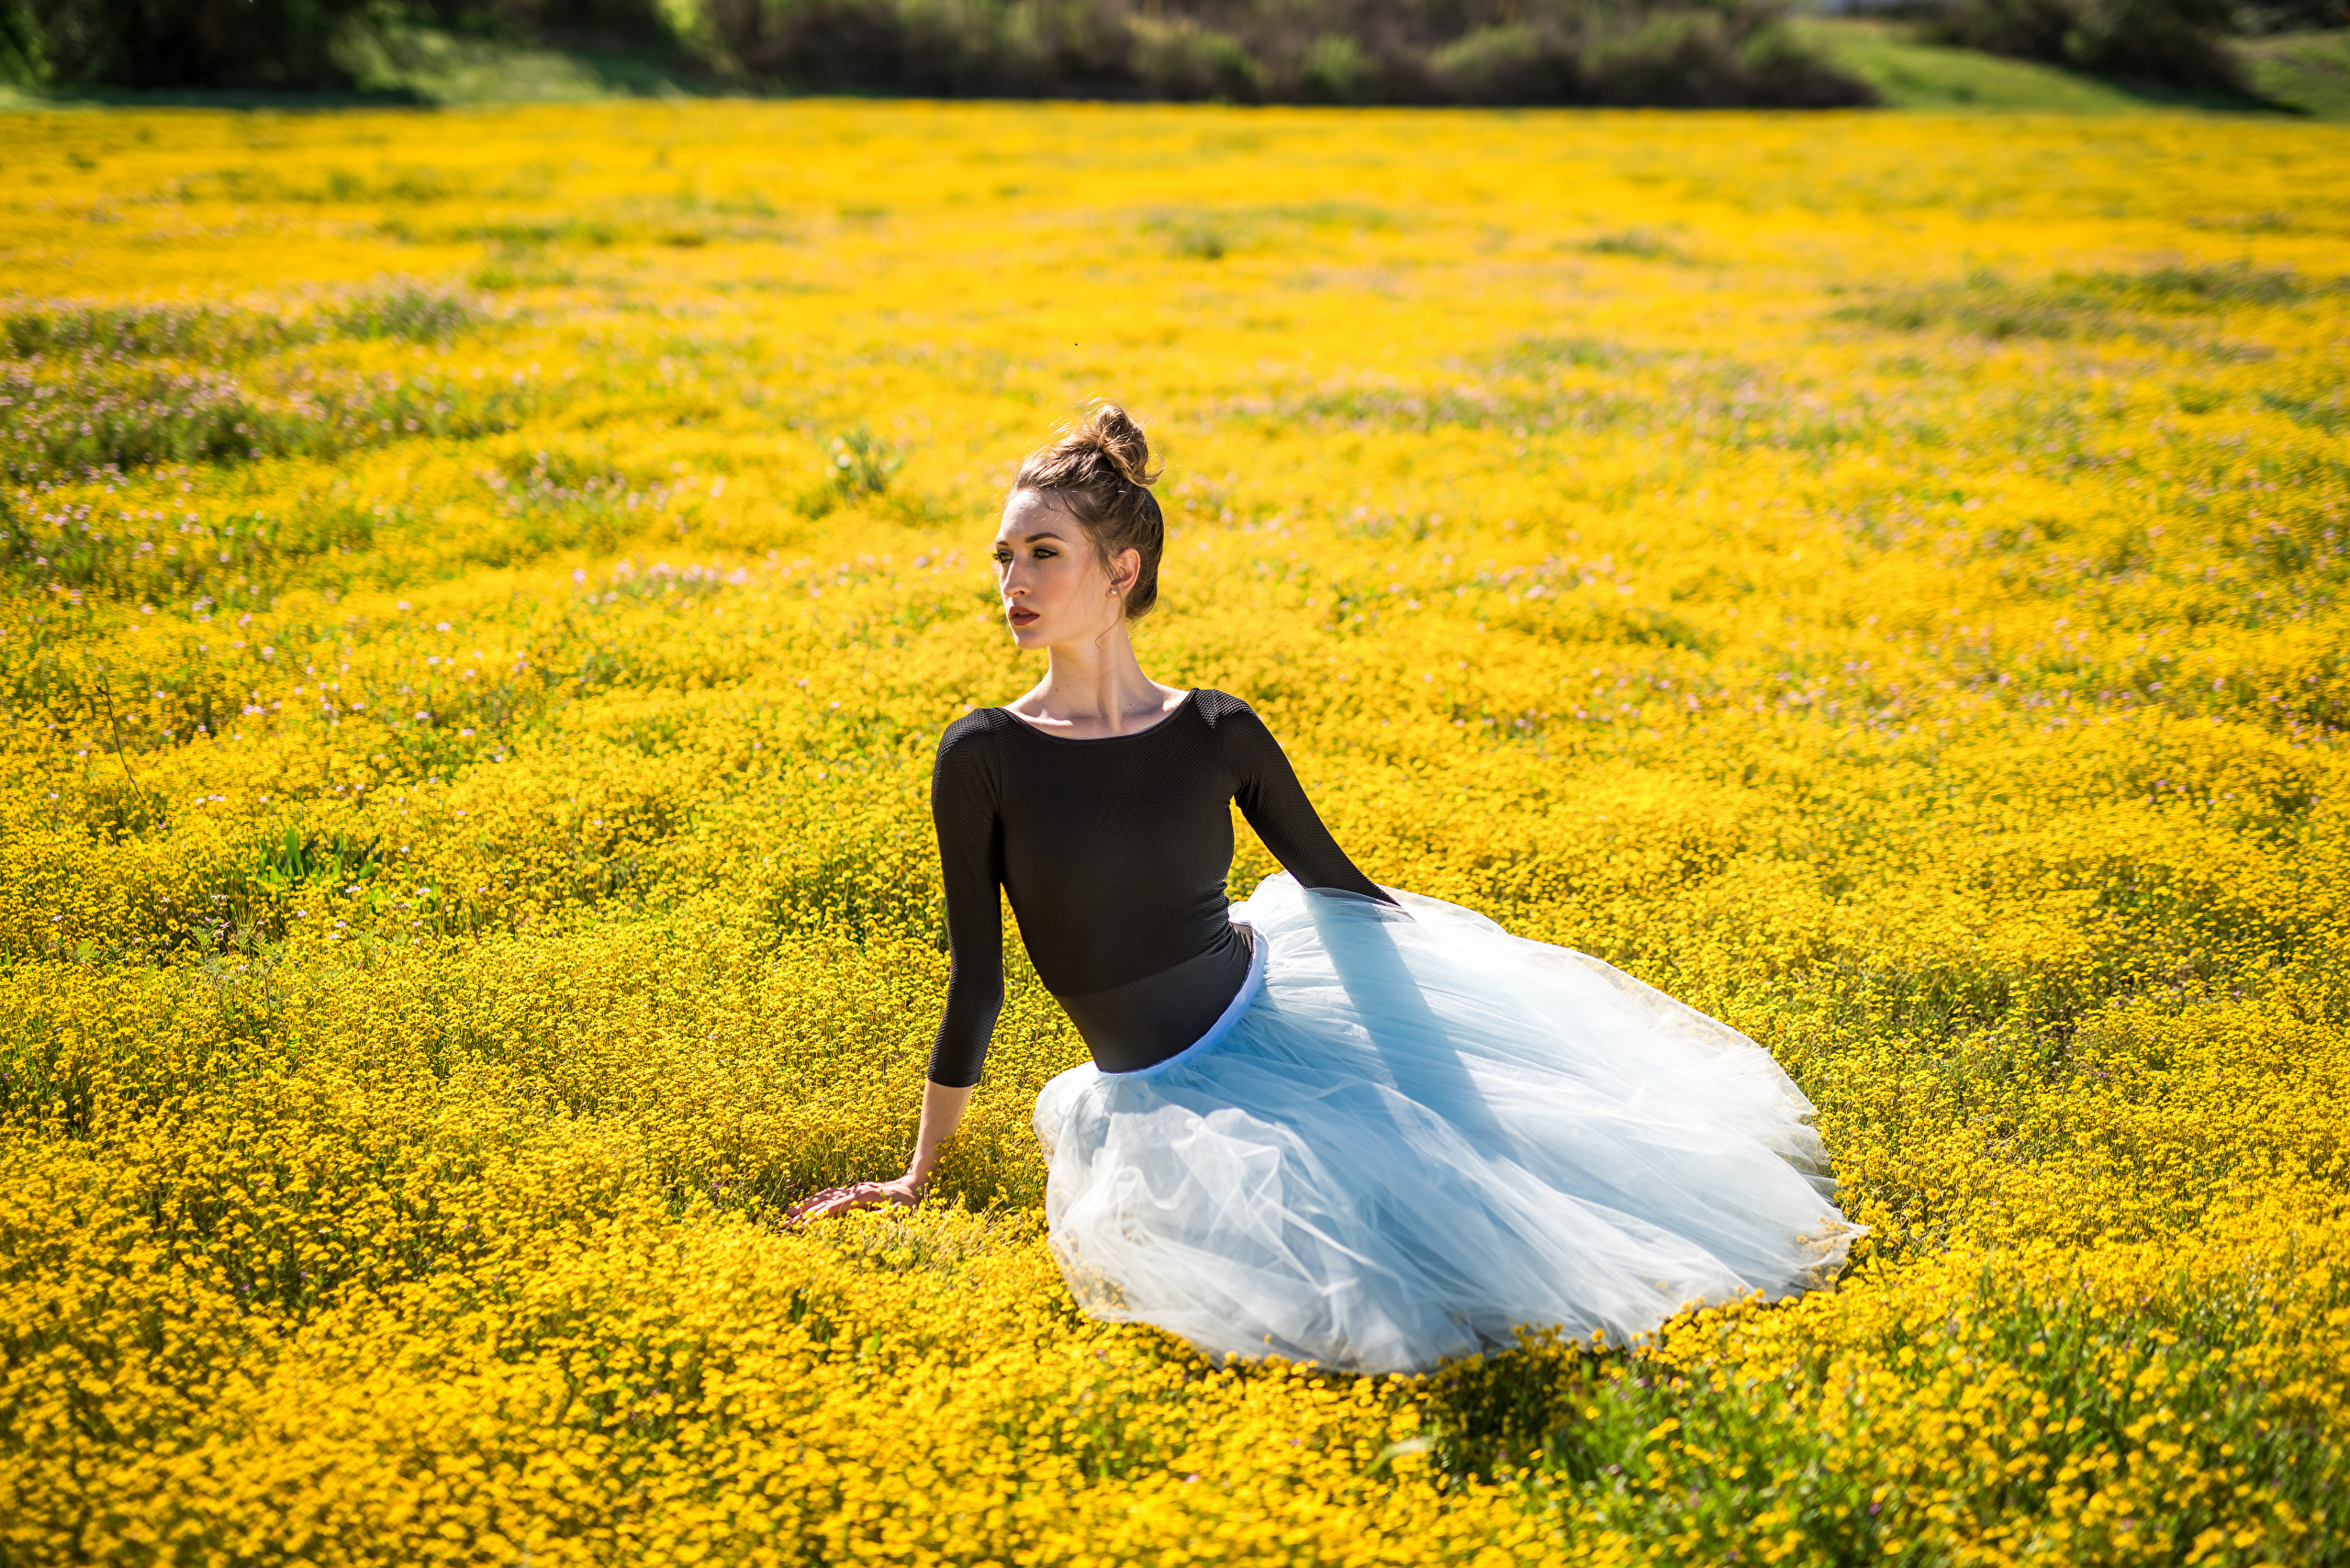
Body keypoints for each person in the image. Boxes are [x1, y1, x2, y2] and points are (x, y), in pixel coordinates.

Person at [790, 404, 1863, 1375]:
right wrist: (914, 1176)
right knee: (1328, 1308)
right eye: (1003, 556)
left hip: (1280, 1016)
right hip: (1156, 1094)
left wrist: (1481, 1040)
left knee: (1484, 1242)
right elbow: (977, 977)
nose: (1012, 582)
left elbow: (1341, 890)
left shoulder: (1218, 731)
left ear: (1120, 572)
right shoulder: (981, 753)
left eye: (1042, 554)